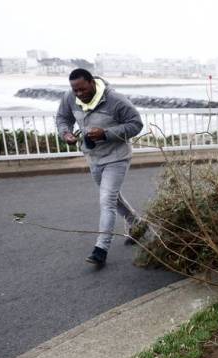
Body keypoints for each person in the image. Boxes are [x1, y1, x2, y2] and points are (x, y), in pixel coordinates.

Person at [56, 68, 147, 267]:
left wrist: (106, 133)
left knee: (107, 200)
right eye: (75, 90)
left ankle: (101, 249)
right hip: (93, 157)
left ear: (91, 82)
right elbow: (63, 118)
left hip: (117, 157)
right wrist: (66, 134)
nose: (78, 94)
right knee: (113, 197)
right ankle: (137, 223)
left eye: (81, 89)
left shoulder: (116, 100)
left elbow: (136, 124)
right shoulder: (69, 97)